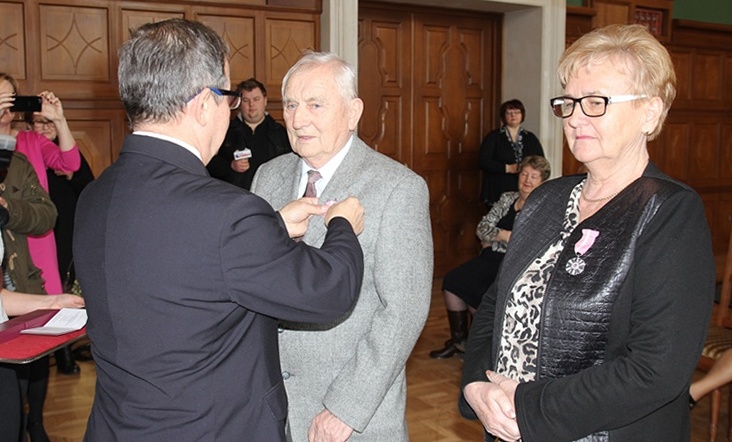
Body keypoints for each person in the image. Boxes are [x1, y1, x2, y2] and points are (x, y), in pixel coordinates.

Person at [73, 19, 366, 441]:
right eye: (228, 98)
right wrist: (342, 224)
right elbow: (329, 291)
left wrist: (271, 227)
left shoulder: (95, 195)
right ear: (202, 105)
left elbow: (177, 262)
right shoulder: (227, 215)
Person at [460, 24, 715, 441]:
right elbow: (495, 303)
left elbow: (655, 370)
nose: (575, 118)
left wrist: (526, 406)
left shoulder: (669, 211)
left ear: (650, 112)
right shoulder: (545, 199)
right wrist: (476, 386)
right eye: (569, 103)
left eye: (596, 102)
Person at [251, 51, 433, 442]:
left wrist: (345, 408)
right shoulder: (267, 177)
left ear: (353, 113)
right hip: (267, 408)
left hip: (346, 417)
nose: (298, 119)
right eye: (291, 105)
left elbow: (403, 311)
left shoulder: (398, 188)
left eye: (315, 105)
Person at [429, 155, 550, 359]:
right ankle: (459, 341)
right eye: (524, 174)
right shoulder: (507, 198)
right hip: (488, 256)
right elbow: (482, 228)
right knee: (452, 281)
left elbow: (529, 242)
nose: (527, 180)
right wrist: (505, 235)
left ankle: (480, 349)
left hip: (513, 264)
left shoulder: (542, 207)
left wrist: (496, 237)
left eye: (534, 176)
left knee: (480, 292)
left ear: (542, 182)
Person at [29, 113, 94, 375]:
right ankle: (52, 353)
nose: (45, 128)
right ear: (30, 125)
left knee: (64, 287)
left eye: (49, 123)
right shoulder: (28, 154)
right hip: (39, 235)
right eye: (39, 123)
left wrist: (71, 176)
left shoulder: (67, 153)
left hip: (66, 231)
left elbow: (89, 187)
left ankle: (65, 350)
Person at [206, 77, 291, 190]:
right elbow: (209, 165)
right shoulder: (224, 131)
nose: (251, 105)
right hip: (235, 196)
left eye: (256, 99)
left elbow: (292, 167)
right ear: (239, 103)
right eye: (246, 100)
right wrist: (230, 166)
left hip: (271, 195)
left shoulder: (281, 133)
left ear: (265, 100)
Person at [479, 99, 544, 208]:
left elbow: (541, 161)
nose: (513, 115)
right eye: (509, 113)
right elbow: (483, 161)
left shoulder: (530, 138)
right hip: (499, 185)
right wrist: (507, 168)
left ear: (522, 115)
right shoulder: (494, 137)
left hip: (525, 185)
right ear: (503, 116)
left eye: (517, 112)